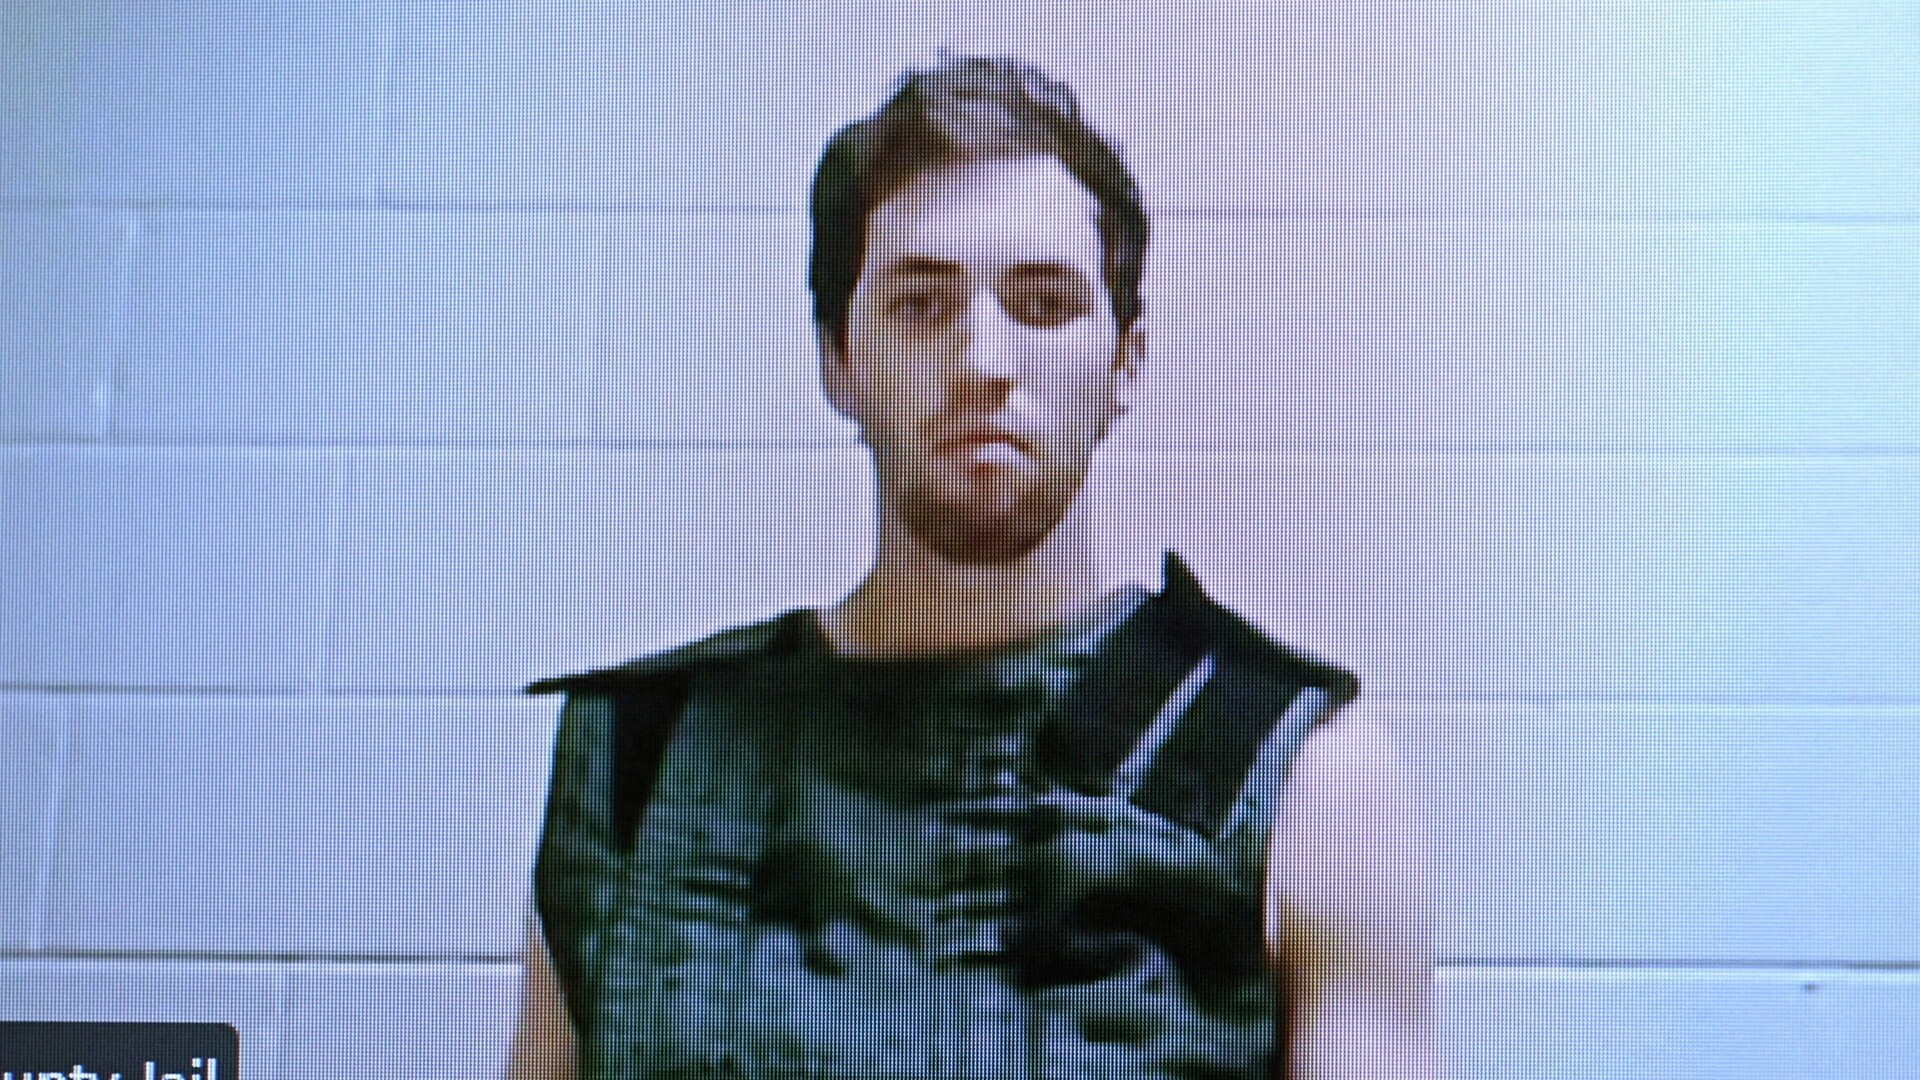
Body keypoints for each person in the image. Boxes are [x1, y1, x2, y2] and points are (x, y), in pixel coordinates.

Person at [506, 56, 1438, 1080]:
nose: (984, 361)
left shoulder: (1305, 776)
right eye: (920, 303)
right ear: (838, 361)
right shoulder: (640, 754)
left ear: (1124, 363)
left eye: (1043, 302)